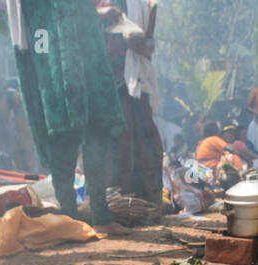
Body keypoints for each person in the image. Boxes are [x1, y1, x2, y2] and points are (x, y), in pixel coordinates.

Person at [11, 0, 126, 233]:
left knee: (93, 131)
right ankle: (70, 218)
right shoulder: (39, 17)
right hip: (51, 49)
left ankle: (99, 217)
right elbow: (36, 33)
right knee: (62, 137)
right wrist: (42, 60)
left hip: (83, 46)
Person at [98, 1, 163, 203]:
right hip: (106, 81)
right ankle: (114, 202)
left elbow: (150, 44)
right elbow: (75, 16)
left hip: (136, 81)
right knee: (115, 142)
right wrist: (102, 13)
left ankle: (146, 202)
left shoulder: (147, 4)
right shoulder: (102, 4)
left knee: (144, 141)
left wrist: (142, 44)